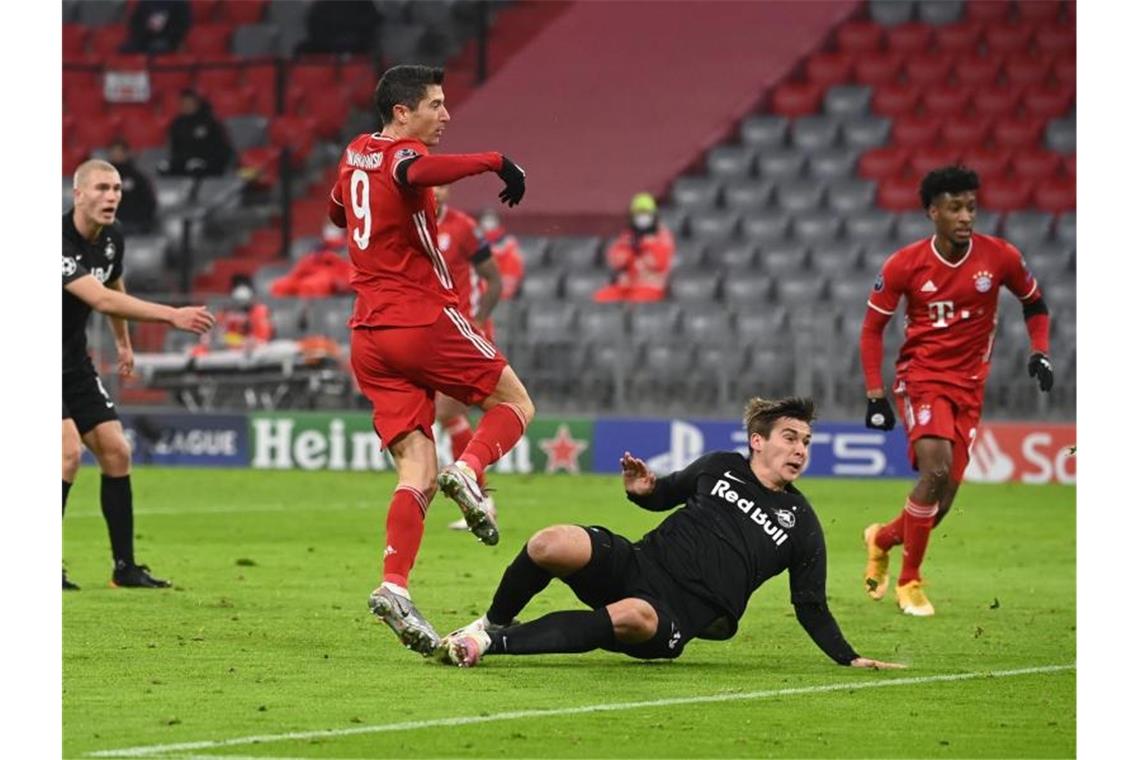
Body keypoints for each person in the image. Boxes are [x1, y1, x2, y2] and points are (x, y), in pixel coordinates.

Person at [436, 397, 904, 671]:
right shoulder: (720, 466)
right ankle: (494, 622)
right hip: (640, 563)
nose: (800, 450)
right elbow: (663, 495)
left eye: (805, 442)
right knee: (550, 542)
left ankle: (487, 646)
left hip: (678, 611)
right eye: (790, 437)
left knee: (632, 616)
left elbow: (810, 605)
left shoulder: (801, 522)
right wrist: (644, 490)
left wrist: (849, 658)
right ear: (758, 441)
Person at [325, 64, 534, 656]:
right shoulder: (402, 156)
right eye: (436, 105)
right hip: (418, 316)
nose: (445, 116)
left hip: (368, 333)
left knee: (414, 466)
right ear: (401, 112)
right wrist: (496, 159)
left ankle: (394, 585)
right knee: (516, 402)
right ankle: (471, 472)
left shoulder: (355, 153)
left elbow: (341, 211)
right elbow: (415, 169)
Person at [860, 165, 1054, 617]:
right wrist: (874, 394)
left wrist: (1039, 351)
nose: (966, 216)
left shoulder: (1000, 257)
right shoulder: (905, 264)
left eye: (971, 207)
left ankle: (883, 538)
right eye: (955, 208)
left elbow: (1035, 303)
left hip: (970, 388)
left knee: (943, 496)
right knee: (935, 471)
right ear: (933, 212)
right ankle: (910, 582)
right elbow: (873, 330)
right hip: (922, 378)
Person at [63, 159, 215, 590]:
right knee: (67, 453)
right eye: (101, 189)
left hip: (72, 359)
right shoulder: (56, 242)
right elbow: (100, 299)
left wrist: (124, 344)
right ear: (78, 194)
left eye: (115, 189)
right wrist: (172, 315)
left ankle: (124, 568)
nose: (111, 197)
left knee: (116, 451)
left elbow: (114, 286)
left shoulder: (111, 240)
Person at [432, 184, 505, 531]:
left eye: (442, 187)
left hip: (465, 332)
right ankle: (480, 498)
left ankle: (479, 497)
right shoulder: (413, 226)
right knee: (450, 415)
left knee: (448, 411)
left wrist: (476, 323)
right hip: (433, 332)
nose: (437, 194)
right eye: (431, 187)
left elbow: (494, 280)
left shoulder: (462, 227)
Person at [594, 192, 675, 303]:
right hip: (626, 284)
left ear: (654, 215)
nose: (642, 217)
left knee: (635, 301)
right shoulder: (627, 235)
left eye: (646, 213)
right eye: (638, 214)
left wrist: (643, 246)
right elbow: (615, 258)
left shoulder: (662, 236)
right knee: (601, 297)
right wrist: (628, 254)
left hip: (650, 286)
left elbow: (658, 263)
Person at [191, 275, 273, 355]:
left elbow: (262, 341)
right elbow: (210, 336)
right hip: (226, 351)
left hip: (250, 352)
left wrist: (247, 342)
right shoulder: (225, 311)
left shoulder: (259, 311)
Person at [270, 223, 354, 298]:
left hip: (329, 279)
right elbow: (301, 268)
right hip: (310, 274)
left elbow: (346, 275)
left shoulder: (347, 249)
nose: (331, 231)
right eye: (330, 226)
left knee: (314, 285)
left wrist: (330, 258)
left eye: (335, 227)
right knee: (280, 286)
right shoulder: (318, 247)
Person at [162, 90, 234, 178]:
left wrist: (204, 160)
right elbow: (174, 148)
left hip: (208, 162)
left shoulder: (210, 122)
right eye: (184, 103)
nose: (187, 106)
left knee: (196, 169)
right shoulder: (176, 124)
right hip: (185, 162)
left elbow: (221, 148)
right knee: (164, 169)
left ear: (197, 104)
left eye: (189, 103)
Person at [107, 138, 158, 235]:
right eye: (114, 152)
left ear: (127, 153)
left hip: (134, 223)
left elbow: (149, 202)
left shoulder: (137, 178)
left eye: (120, 152)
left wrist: (140, 219)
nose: (116, 155)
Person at [477, 208, 524, 300]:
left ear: (498, 222)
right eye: (486, 220)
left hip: (505, 294)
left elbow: (516, 269)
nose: (488, 224)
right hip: (480, 296)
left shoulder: (510, 243)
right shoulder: (472, 242)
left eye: (491, 220)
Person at [120, 0, 190, 55]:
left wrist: (170, 36)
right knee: (125, 49)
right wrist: (145, 29)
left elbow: (182, 25)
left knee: (155, 48)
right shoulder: (144, 3)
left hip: (167, 39)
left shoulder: (180, 3)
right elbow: (135, 22)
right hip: (144, 36)